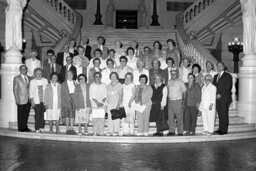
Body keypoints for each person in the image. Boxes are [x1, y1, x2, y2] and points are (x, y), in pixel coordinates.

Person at [213, 62, 232, 135]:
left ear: (223, 67)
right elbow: (214, 87)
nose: (219, 67)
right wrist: (215, 95)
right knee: (220, 114)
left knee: (224, 114)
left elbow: (228, 87)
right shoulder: (215, 76)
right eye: (218, 66)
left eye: (220, 66)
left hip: (224, 98)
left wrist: (220, 94)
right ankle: (220, 129)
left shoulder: (228, 75)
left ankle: (224, 130)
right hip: (217, 98)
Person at [167, 69, 186, 136]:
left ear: (177, 74)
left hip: (178, 101)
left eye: (174, 74)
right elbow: (167, 91)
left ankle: (180, 131)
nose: (173, 75)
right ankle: (171, 131)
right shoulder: (169, 81)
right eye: (171, 74)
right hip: (170, 101)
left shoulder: (181, 82)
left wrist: (183, 102)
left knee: (179, 117)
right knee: (170, 117)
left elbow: (184, 93)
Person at [13, 65, 31, 132]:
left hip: (28, 99)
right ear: (20, 70)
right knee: (20, 114)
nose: (24, 70)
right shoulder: (16, 78)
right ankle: (20, 128)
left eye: (25, 69)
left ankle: (25, 127)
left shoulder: (29, 78)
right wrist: (16, 99)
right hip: (20, 99)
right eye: (22, 69)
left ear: (27, 70)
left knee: (26, 114)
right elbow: (15, 89)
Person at [29, 68, 48, 133]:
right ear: (35, 74)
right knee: (37, 115)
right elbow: (31, 92)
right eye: (37, 73)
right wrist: (32, 101)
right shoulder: (32, 82)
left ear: (42, 74)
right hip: (36, 101)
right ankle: (37, 128)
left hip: (44, 101)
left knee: (43, 115)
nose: (39, 74)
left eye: (40, 73)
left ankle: (42, 127)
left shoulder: (45, 80)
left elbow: (47, 91)